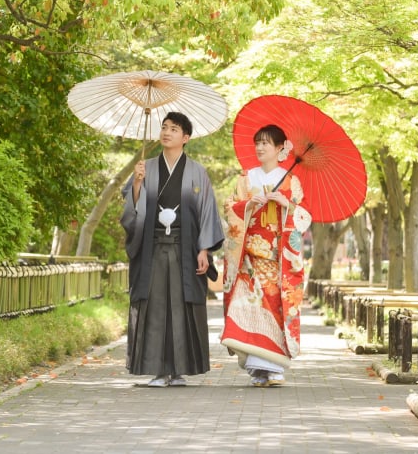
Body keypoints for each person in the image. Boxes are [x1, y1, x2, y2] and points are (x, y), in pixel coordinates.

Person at [120, 111, 225, 387]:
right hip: (152, 248)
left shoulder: (197, 172)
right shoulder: (147, 167)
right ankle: (157, 370)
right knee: (154, 306)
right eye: (164, 127)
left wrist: (204, 250)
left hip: (185, 249)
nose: (167, 132)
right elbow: (132, 212)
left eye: (174, 129)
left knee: (181, 306)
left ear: (185, 137)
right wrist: (138, 183)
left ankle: (178, 370)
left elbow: (206, 213)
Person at [221, 124, 312, 387]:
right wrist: (248, 205)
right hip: (248, 257)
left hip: (277, 260)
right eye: (257, 143)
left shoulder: (292, 181)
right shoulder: (246, 179)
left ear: (281, 148)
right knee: (247, 308)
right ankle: (258, 368)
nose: (260, 148)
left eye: (266, 143)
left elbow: (303, 218)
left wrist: (287, 205)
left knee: (273, 310)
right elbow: (230, 208)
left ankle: (274, 368)